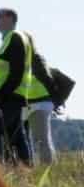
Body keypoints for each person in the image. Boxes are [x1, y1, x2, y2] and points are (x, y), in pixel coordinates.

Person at [0, 8, 33, 166]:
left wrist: (2, 94)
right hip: (12, 96)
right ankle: (27, 167)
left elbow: (16, 71)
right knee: (16, 136)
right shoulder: (8, 40)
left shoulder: (15, 37)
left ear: (10, 18)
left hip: (9, 96)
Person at [25, 35, 58, 164]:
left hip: (39, 102)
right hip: (29, 103)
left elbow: (47, 80)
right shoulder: (23, 59)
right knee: (34, 140)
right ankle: (40, 168)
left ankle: (48, 170)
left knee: (41, 139)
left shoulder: (35, 59)